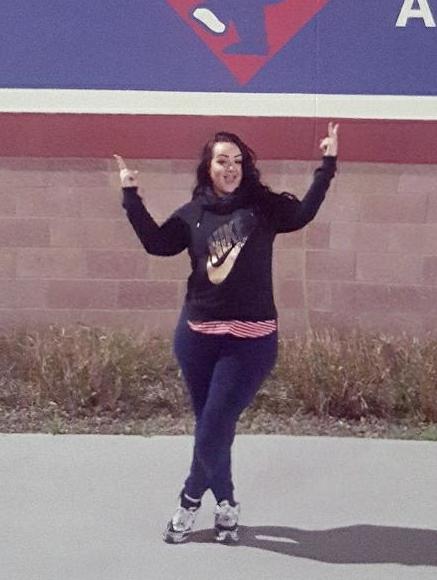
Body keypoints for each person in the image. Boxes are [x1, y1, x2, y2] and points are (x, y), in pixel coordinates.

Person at [114, 122, 339, 544]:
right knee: (212, 427)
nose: (231, 167)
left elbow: (304, 213)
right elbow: (157, 244)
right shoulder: (192, 214)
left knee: (214, 425)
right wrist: (131, 195)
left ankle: (188, 501)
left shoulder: (263, 209)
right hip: (197, 337)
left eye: (237, 161)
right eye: (222, 161)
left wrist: (327, 164)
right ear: (209, 167)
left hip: (251, 340)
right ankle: (226, 505)